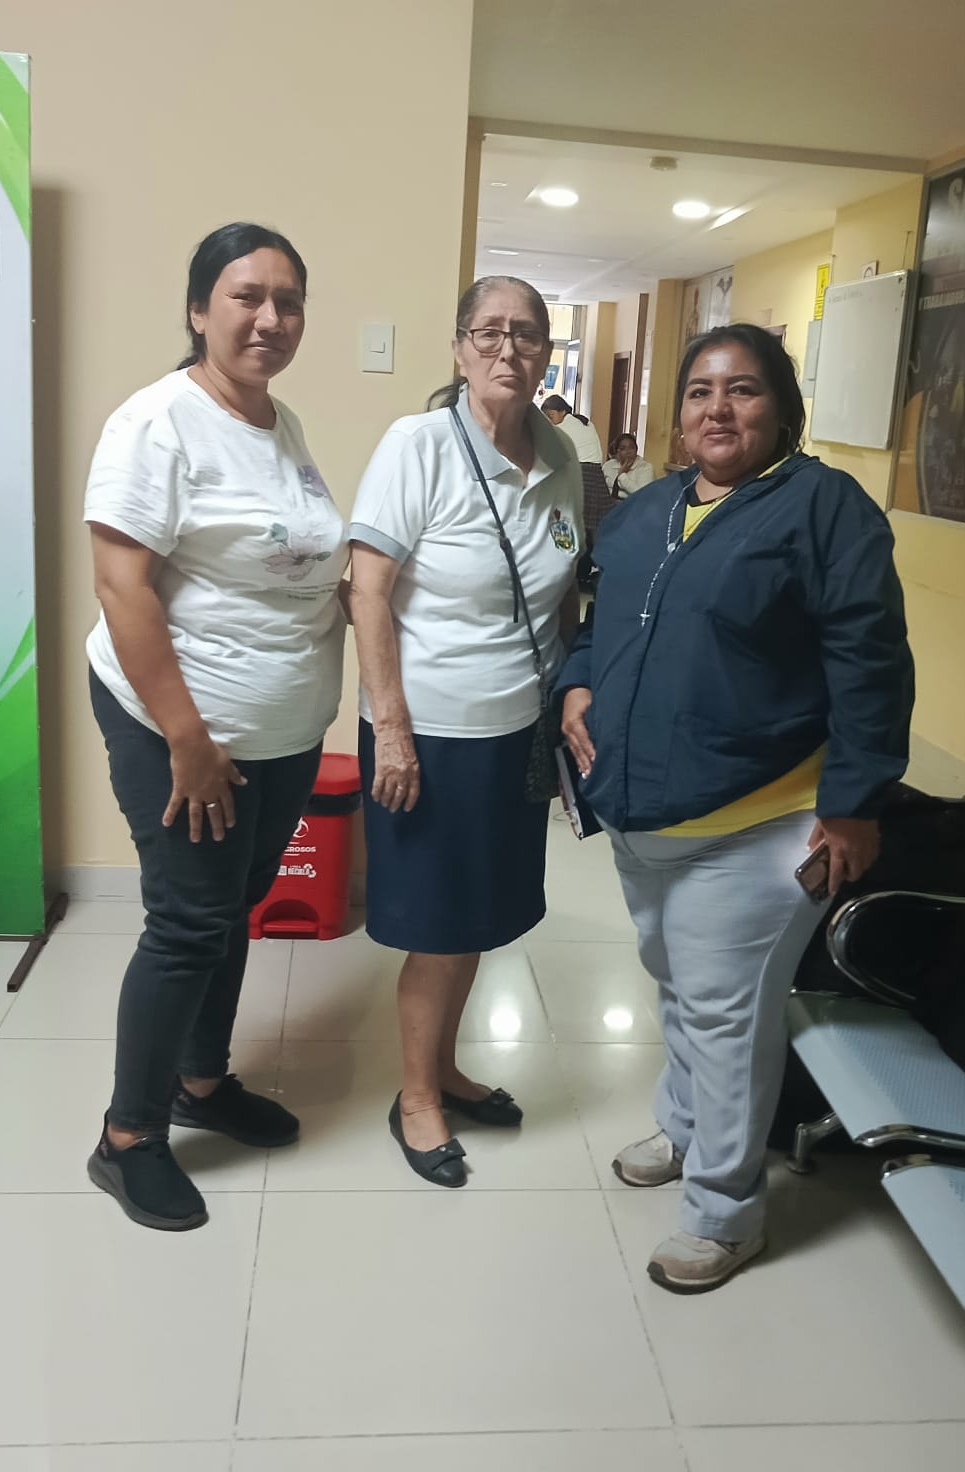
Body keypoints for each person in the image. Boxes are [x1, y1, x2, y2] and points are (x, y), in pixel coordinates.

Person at [558, 323, 913, 1291]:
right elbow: (600, 624)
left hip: (762, 818)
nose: (718, 408)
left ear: (782, 409)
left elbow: (870, 661)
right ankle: (683, 1129)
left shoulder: (824, 508)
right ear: (678, 415)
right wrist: (575, 682)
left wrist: (854, 803)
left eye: (743, 389)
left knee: (726, 1014)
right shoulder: (648, 510)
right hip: (645, 814)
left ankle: (724, 1210)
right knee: (677, 984)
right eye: (700, 391)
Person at [83, 222, 347, 1231]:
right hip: (179, 725)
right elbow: (123, 587)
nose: (270, 318)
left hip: (278, 728)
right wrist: (187, 739)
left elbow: (291, 566)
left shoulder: (279, 423)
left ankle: (201, 1081)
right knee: (189, 922)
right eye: (247, 296)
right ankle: (128, 1137)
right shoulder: (158, 421)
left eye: (289, 301)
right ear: (199, 310)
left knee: (234, 906)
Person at [350, 276, 583, 1187]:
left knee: (479, 914)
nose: (507, 349)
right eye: (488, 332)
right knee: (438, 925)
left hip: (516, 730)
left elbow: (561, 594)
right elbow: (368, 593)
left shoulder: (558, 453)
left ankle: (444, 1068)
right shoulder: (417, 446)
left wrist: (567, 699)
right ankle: (415, 1098)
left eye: (527, 334)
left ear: (546, 353)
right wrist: (392, 729)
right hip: (430, 732)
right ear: (458, 348)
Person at [541, 395, 611, 590]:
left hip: (581, 474)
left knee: (570, 525)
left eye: (551, 416)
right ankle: (599, 571)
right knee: (594, 528)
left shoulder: (563, 428)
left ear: (563, 411)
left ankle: (571, 576)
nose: (549, 421)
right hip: (596, 476)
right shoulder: (585, 422)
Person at [602, 432, 655, 499]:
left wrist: (622, 475)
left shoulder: (646, 467)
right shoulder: (608, 465)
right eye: (623, 448)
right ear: (617, 451)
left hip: (633, 503)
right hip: (607, 501)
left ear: (636, 449)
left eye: (632, 448)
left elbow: (642, 495)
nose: (628, 452)